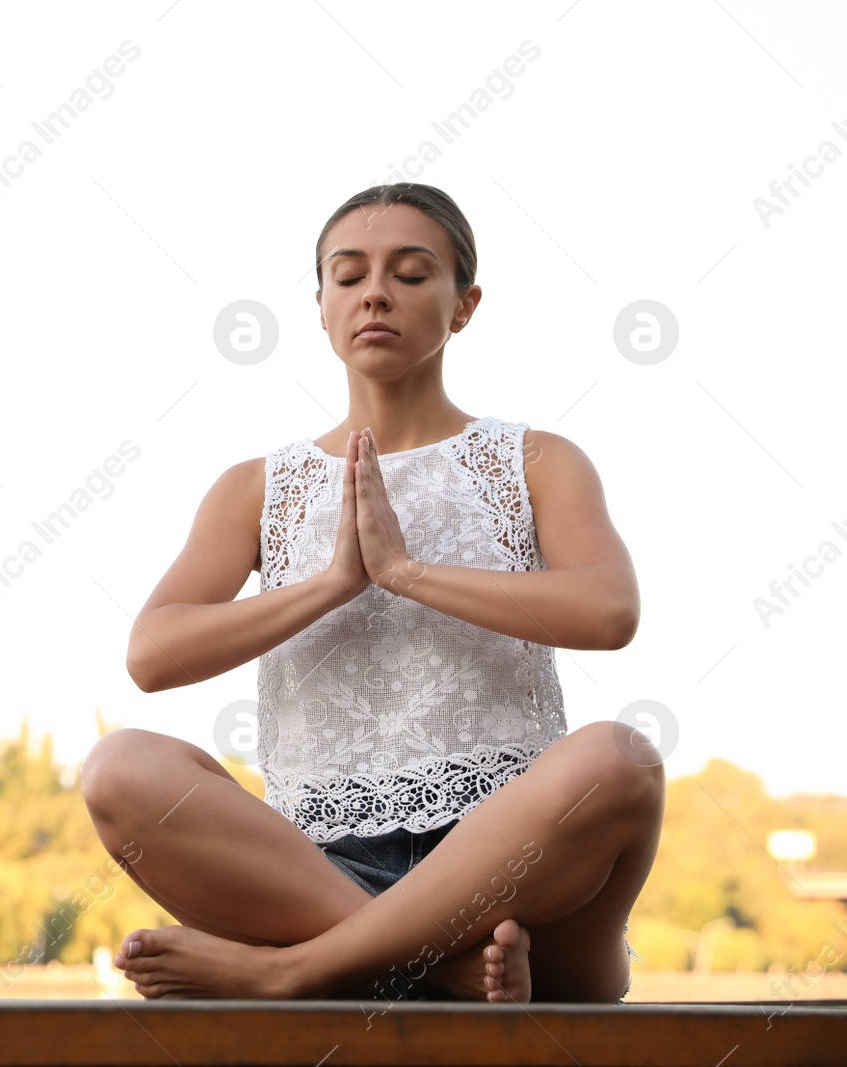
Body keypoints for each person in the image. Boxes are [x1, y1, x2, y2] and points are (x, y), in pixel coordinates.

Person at [78, 183, 662, 1004]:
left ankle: (298, 970)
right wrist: (331, 584)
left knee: (620, 757)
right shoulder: (258, 487)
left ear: (465, 305)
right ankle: (429, 968)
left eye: (413, 273)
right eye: (348, 275)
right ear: (320, 307)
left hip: (517, 879)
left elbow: (610, 610)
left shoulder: (536, 461)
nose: (376, 292)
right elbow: (152, 653)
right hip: (315, 869)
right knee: (119, 766)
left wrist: (407, 574)